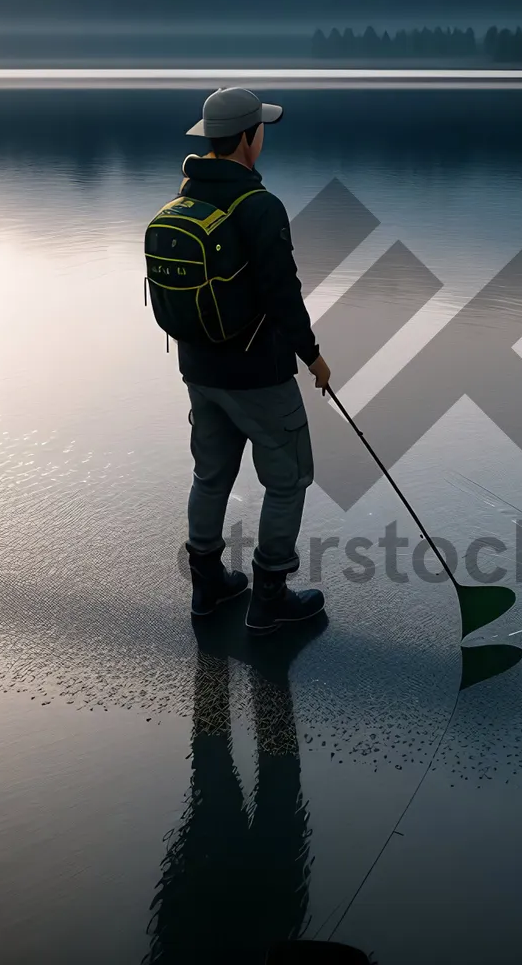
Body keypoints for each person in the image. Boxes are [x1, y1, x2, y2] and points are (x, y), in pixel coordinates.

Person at [176, 87, 331, 635]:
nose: (263, 136)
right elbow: (281, 293)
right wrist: (312, 356)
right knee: (288, 480)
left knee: (211, 475)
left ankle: (207, 587)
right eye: (260, 129)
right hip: (258, 375)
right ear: (246, 138)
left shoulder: (184, 199)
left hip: (199, 370)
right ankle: (269, 598)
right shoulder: (260, 206)